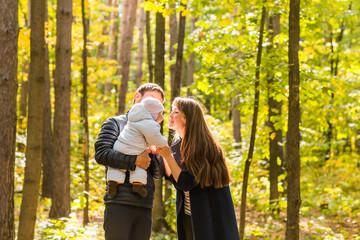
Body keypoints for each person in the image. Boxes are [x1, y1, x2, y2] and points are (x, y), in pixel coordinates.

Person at [157, 97, 240, 240]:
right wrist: (161, 154)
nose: (170, 115)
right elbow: (173, 176)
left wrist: (167, 156)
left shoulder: (203, 146)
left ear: (187, 118)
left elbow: (186, 183)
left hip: (210, 218)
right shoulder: (179, 144)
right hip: (190, 216)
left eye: (175, 112)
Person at [94, 83, 165, 240]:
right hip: (119, 202)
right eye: (152, 99)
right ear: (136, 96)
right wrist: (135, 161)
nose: (155, 105)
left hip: (145, 204)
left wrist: (154, 154)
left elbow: (158, 174)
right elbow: (102, 154)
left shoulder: (152, 129)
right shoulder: (115, 123)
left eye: (159, 103)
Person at [107, 97, 167, 198]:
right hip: (135, 150)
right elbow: (154, 138)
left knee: (116, 168)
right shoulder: (149, 123)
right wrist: (163, 142)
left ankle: (113, 182)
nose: (162, 117)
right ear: (153, 114)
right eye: (160, 114)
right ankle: (137, 185)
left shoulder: (134, 118)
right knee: (140, 167)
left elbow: (140, 136)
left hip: (120, 146)